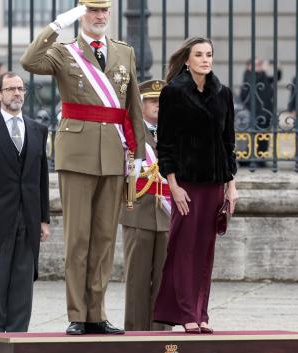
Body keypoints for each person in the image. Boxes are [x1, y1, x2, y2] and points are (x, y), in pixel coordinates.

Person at [21, 0, 144, 335]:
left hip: (113, 152)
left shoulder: (123, 52)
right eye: (92, 11)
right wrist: (57, 25)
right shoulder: (65, 52)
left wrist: (139, 150)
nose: (100, 16)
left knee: (104, 239)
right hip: (77, 152)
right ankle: (77, 313)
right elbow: (29, 61)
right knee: (78, 239)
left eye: (104, 11)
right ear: (81, 15)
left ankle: (97, 312)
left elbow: (132, 102)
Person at [152, 36, 239, 334]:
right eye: (199, 55)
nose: (205, 59)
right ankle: (185, 311)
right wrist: (173, 185)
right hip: (186, 185)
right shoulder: (173, 93)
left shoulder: (223, 93)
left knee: (205, 252)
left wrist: (231, 185)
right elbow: (166, 144)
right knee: (183, 248)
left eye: (209, 54)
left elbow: (228, 143)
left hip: (215, 183)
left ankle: (201, 314)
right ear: (187, 60)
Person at [0, 72, 50, 332]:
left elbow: (41, 178)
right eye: (10, 89)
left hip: (28, 220)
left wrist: (44, 218)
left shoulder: (38, 130)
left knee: (23, 288)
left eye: (20, 89)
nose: (17, 93)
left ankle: (18, 341)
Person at [118, 79, 171, 332]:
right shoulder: (131, 132)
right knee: (137, 281)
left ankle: (161, 338)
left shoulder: (174, 133)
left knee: (165, 282)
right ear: (140, 105)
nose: (159, 106)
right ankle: (137, 337)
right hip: (138, 212)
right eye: (153, 101)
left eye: (162, 102)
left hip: (168, 214)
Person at [239, 58, 281, 166]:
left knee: (263, 137)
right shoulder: (248, 75)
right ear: (249, 66)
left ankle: (261, 159)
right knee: (252, 137)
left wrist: (278, 67)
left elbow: (277, 78)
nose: (259, 66)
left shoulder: (263, 76)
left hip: (266, 112)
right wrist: (263, 70)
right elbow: (253, 82)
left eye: (260, 64)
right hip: (254, 112)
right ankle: (245, 160)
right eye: (256, 64)